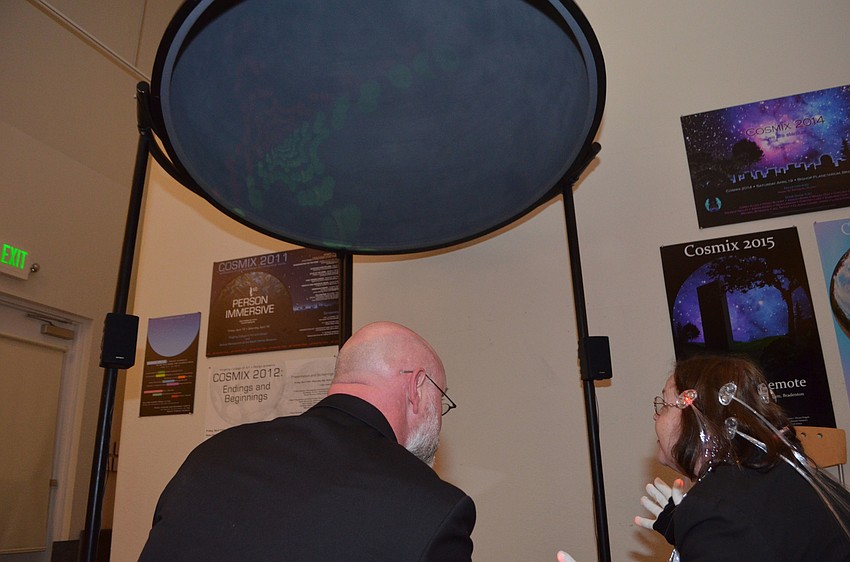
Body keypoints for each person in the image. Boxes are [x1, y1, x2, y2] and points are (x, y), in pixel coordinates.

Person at [139, 321, 475, 561]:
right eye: (440, 398)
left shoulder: (211, 455)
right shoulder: (433, 508)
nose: (440, 417)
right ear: (417, 388)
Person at [635, 354, 850, 561]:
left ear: (695, 419)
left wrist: (702, 525)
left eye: (664, 405)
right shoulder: (788, 470)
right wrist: (691, 536)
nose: (656, 416)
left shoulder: (714, 511)